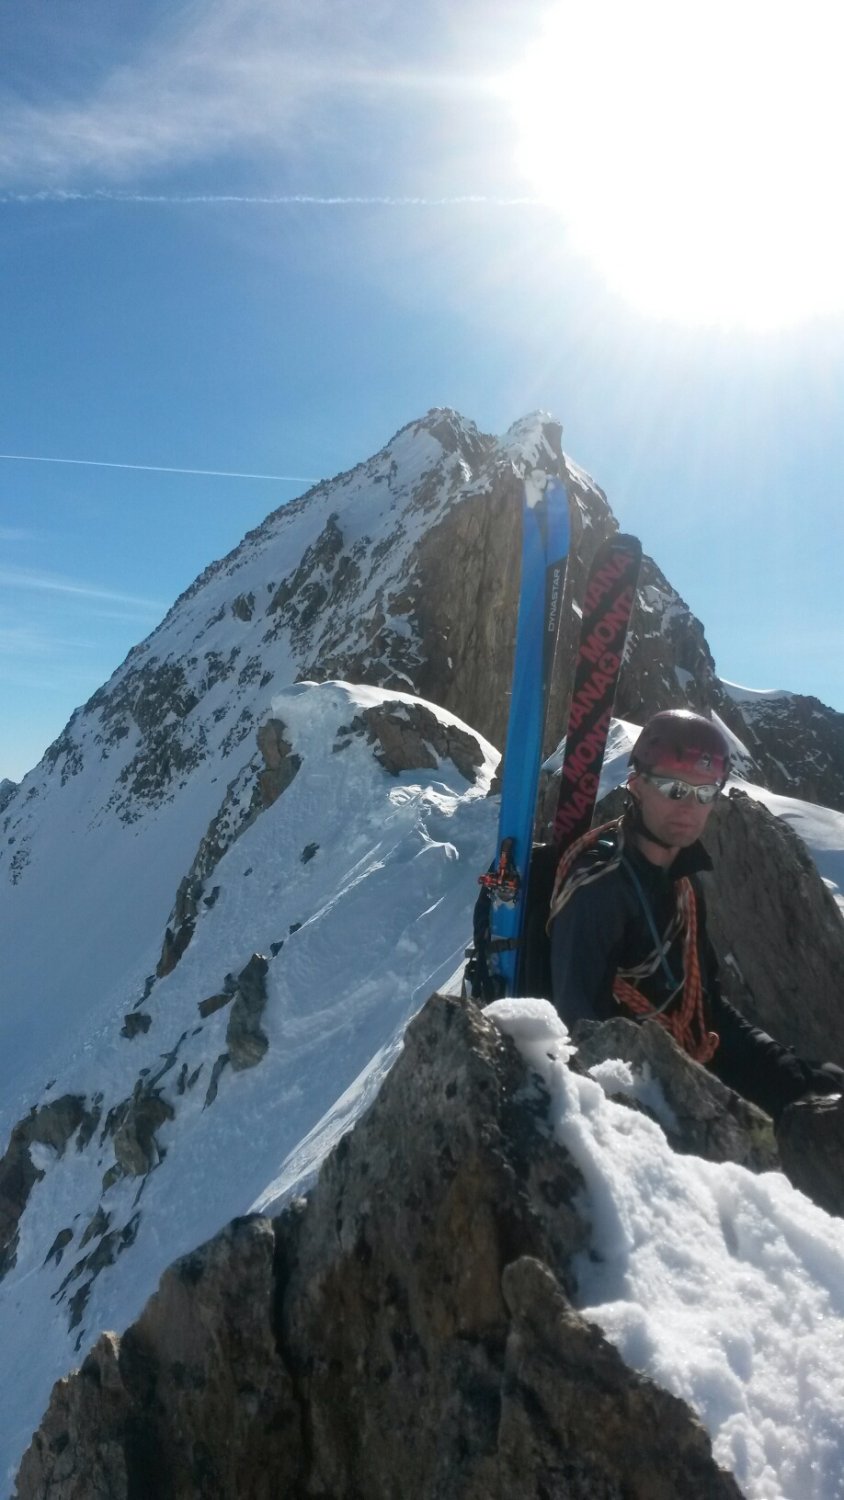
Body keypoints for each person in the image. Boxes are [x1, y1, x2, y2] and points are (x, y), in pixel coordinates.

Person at [548, 708, 844, 1121]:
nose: (689, 806)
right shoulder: (600, 891)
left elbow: (707, 1007)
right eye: (674, 789)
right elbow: (578, 1031)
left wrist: (784, 1069)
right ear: (637, 784)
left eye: (705, 793)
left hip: (683, 1063)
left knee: (822, 1087)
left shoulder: (683, 883)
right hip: (630, 1092)